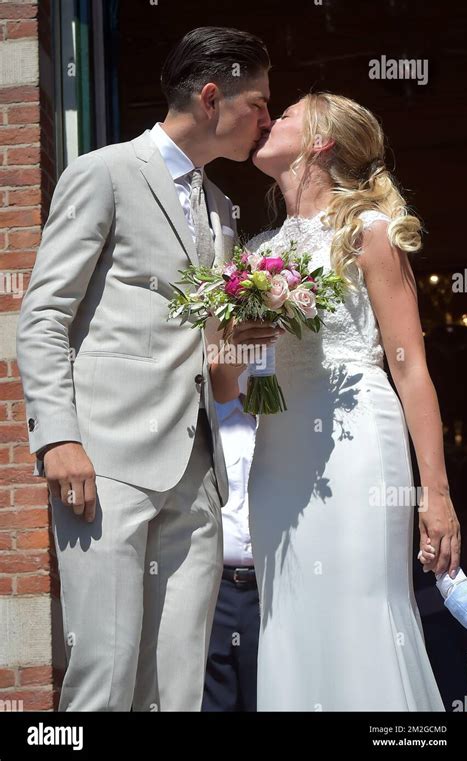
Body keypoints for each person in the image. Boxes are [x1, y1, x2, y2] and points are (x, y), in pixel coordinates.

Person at [16, 26, 278, 712]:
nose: (267, 121)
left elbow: (215, 366)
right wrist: (58, 437)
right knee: (104, 677)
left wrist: (245, 344)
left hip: (196, 479)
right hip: (105, 464)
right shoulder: (103, 173)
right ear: (213, 96)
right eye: (260, 103)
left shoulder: (224, 212)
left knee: (177, 690)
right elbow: (42, 316)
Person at [212, 92, 460, 711]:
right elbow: (233, 389)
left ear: (321, 142)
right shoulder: (257, 250)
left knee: (359, 613)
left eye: (286, 115)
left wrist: (437, 493)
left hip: (355, 446)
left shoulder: (368, 233)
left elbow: (412, 371)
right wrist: (235, 354)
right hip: (277, 457)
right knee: (290, 619)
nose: (269, 122)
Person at [202, 369, 260, 712]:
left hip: (268, 593)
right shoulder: (203, 430)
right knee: (212, 702)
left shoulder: (281, 431)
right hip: (215, 590)